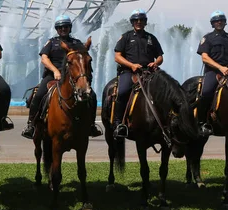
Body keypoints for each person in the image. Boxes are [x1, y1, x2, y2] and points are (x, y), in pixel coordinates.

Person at [21, 15, 102, 139]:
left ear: (70, 28)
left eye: (66, 27)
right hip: (53, 76)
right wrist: (55, 71)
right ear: (57, 29)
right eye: (60, 27)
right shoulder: (52, 42)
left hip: (72, 77)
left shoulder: (77, 43)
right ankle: (31, 125)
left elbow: (83, 59)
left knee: (92, 96)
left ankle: (91, 125)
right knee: (38, 95)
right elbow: (44, 58)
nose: (63, 29)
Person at [112, 9, 164, 139]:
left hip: (149, 72)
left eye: (141, 20)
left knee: (165, 90)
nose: (139, 22)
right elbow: (117, 57)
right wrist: (131, 65)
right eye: (136, 20)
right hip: (129, 72)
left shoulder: (151, 38)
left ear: (145, 22)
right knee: (122, 91)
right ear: (132, 22)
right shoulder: (126, 37)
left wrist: (156, 62)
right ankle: (119, 124)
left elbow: (160, 57)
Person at [196, 10, 228, 135]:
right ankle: (202, 123)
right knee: (206, 92)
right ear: (212, 23)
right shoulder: (207, 38)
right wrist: (220, 67)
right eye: (216, 21)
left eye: (221, 20)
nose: (219, 22)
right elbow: (205, 57)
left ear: (225, 22)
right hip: (214, 72)